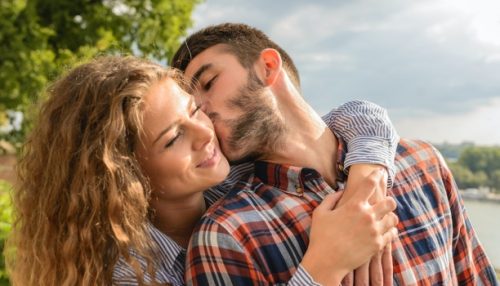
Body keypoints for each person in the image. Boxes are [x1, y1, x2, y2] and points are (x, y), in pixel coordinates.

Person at [8, 56, 400, 286]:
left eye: (194, 110)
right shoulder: (127, 275)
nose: (205, 134)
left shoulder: (230, 177)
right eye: (172, 138)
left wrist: (367, 180)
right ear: (124, 176)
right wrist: (322, 268)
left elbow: (356, 116)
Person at [171, 23, 498, 285]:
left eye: (209, 82)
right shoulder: (227, 235)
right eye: (191, 107)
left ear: (268, 67)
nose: (200, 110)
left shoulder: (422, 163)